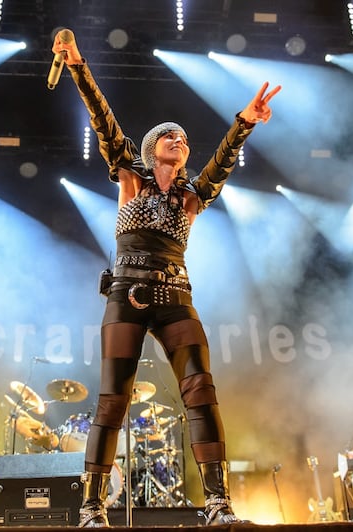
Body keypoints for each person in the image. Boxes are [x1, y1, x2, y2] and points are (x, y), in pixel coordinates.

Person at [51, 31, 280, 526]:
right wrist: (76, 64)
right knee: (113, 399)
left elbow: (220, 165)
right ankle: (92, 508)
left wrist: (244, 122)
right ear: (154, 148)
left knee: (200, 389)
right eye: (172, 136)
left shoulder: (192, 196)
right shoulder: (129, 175)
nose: (182, 141)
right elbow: (103, 118)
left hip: (175, 294)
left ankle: (217, 503)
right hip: (126, 294)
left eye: (185, 138)